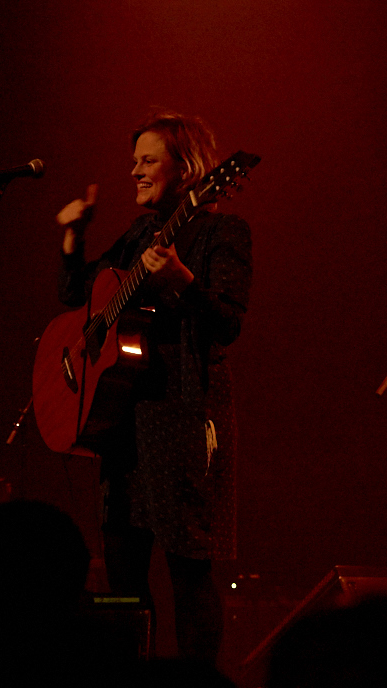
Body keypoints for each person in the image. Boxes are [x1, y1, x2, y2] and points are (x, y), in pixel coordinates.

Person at [56, 110, 252, 663]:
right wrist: (74, 234)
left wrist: (183, 282)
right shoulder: (141, 233)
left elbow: (229, 323)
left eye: (148, 160)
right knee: (122, 571)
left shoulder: (221, 231)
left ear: (187, 168)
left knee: (189, 569)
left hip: (185, 414)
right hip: (125, 422)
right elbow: (80, 298)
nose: (135, 171)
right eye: (134, 161)